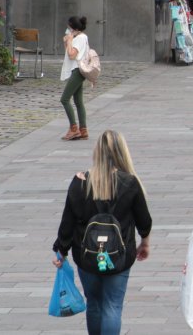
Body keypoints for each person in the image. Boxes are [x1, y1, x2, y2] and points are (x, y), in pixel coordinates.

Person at [52, 131, 151, 335]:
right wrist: (145, 243)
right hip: (119, 256)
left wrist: (61, 250)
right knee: (112, 305)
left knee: (95, 303)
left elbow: (67, 222)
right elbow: (144, 221)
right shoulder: (129, 183)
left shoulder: (80, 182)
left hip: (86, 255)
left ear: (96, 152)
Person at [60, 15, 91, 141]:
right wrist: (67, 42)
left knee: (65, 99)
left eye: (69, 27)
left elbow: (72, 55)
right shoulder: (78, 37)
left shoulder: (81, 38)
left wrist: (69, 41)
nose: (67, 29)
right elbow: (68, 51)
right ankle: (83, 129)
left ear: (73, 28)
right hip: (76, 70)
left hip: (77, 70)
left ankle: (74, 129)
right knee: (78, 101)